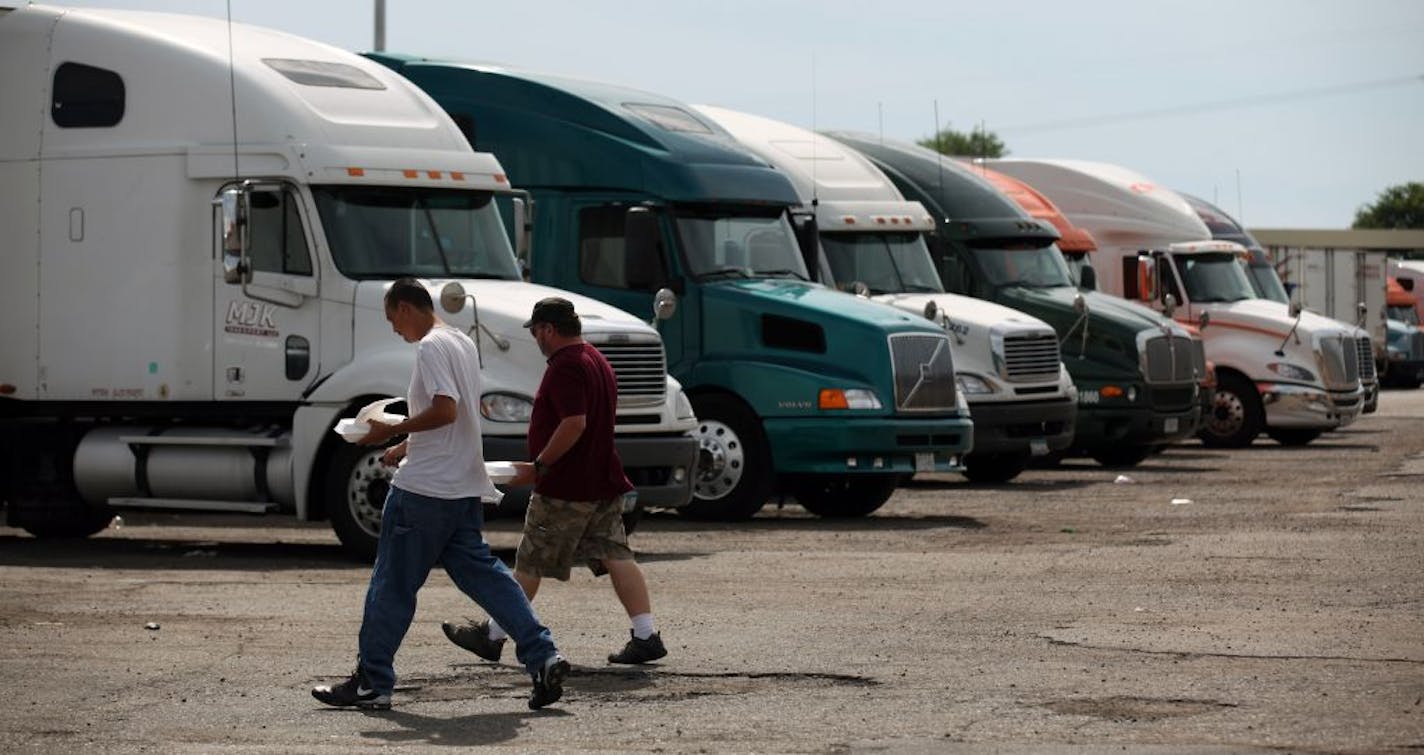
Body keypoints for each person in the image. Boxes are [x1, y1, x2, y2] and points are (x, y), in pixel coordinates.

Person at [312, 278, 569, 711]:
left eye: (394, 320)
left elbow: (446, 410)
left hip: (423, 492)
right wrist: (405, 445)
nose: (395, 329)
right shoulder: (461, 343)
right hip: (461, 488)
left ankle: (373, 683)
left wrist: (388, 428)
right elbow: (457, 416)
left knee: (391, 586)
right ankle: (544, 655)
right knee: (488, 577)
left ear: (407, 308)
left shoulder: (431, 347)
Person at [442, 297, 668, 666]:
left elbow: (574, 422)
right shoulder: (597, 360)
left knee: (531, 560)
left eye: (535, 331)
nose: (535, 338)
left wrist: (541, 464)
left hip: (566, 487)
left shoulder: (566, 366)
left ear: (548, 329)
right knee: (616, 555)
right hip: (602, 480)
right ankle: (646, 635)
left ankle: (493, 635)